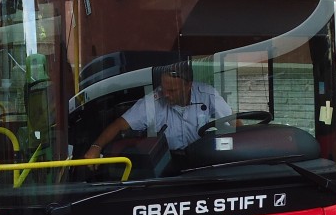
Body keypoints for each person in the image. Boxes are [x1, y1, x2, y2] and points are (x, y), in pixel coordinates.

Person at [83, 62, 233, 159]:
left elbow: (233, 122)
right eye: (164, 88)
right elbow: (120, 125)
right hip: (168, 161)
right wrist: (96, 147)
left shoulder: (207, 94)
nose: (165, 94)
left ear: (188, 86)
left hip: (203, 159)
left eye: (172, 90)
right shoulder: (154, 100)